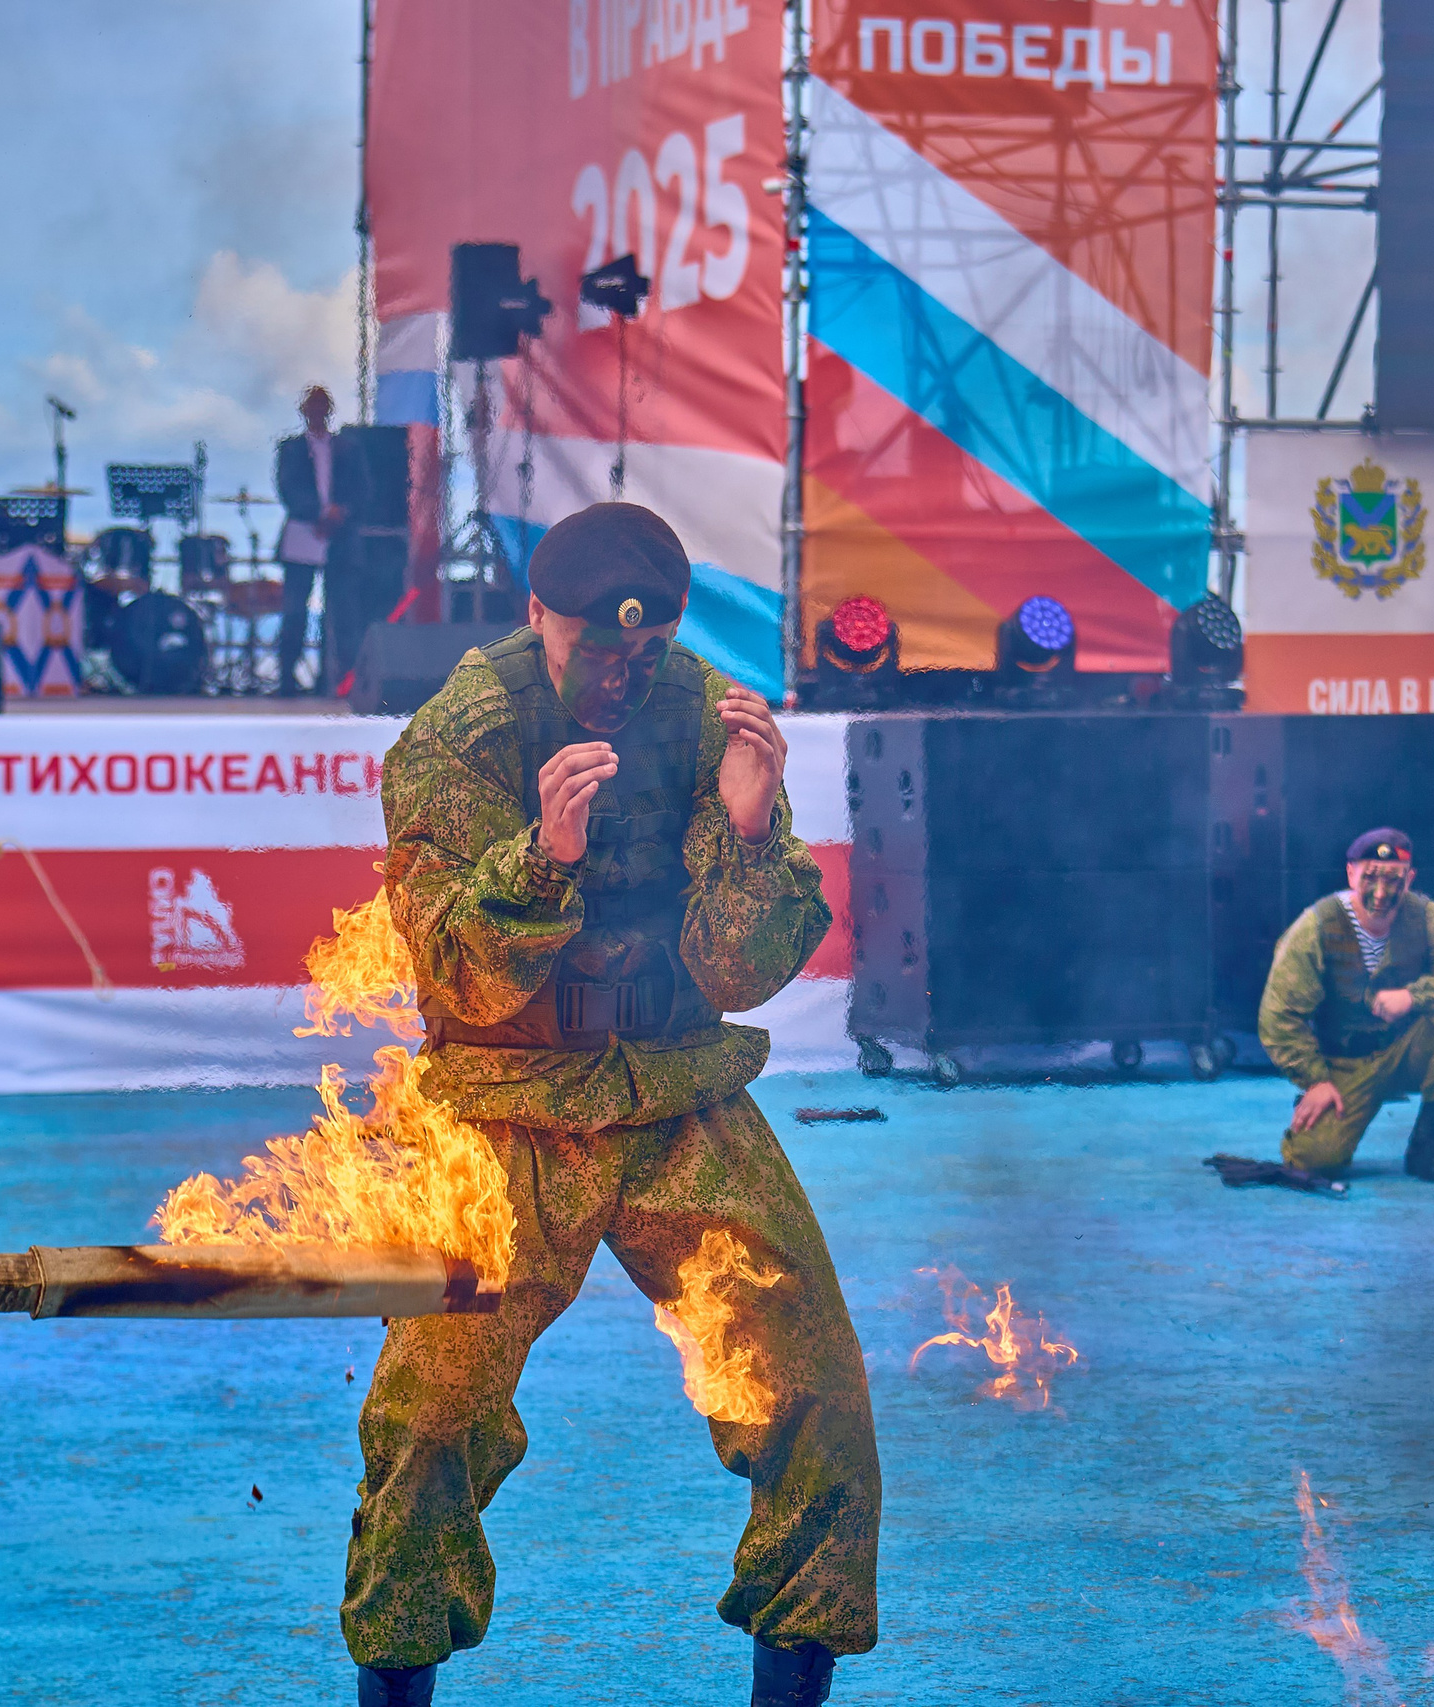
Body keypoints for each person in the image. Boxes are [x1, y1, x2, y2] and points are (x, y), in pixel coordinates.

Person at [348, 503, 879, 1707]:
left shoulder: (703, 715)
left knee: (819, 1403)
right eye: (595, 646)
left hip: (678, 1099)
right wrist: (544, 853)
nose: (619, 672)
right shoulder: (461, 738)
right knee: (431, 1421)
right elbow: (457, 978)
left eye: (643, 649)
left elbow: (743, 973)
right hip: (509, 1111)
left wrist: (748, 828)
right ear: (536, 615)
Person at [1242, 828, 1434, 1187]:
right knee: (1313, 1160)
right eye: (1370, 877)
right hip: (1346, 1064)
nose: (1380, 893)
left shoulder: (1429, 919)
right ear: (1350, 874)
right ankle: (1317, 1104)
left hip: (1406, 1050)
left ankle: (1427, 1145)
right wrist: (1315, 1079)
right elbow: (1278, 1015)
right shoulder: (1316, 926)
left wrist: (1415, 995)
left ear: (1409, 879)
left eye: (1393, 880)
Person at [273, 384, 373, 696]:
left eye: (321, 406)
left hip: (340, 538)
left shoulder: (349, 448)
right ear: (304, 411)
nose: (317, 413)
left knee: (341, 613)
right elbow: (287, 488)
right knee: (294, 610)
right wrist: (318, 513)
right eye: (311, 407)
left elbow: (363, 490)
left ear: (328, 411)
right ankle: (287, 678)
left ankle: (338, 680)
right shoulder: (291, 449)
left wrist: (340, 513)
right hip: (303, 533)